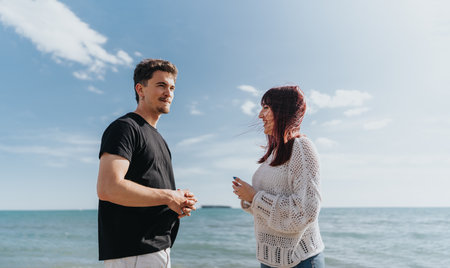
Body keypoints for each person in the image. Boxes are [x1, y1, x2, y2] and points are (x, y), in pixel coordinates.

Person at [97, 58, 197, 268]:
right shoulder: (125, 128)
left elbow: (151, 191)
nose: (168, 93)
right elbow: (108, 188)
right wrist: (169, 196)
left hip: (157, 250)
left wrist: (177, 202)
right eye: (161, 85)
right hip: (133, 253)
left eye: (172, 87)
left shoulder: (159, 138)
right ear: (140, 89)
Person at [232, 85, 325, 268]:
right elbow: (268, 211)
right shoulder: (274, 154)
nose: (260, 115)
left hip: (300, 260)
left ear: (282, 110)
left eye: (266, 108)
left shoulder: (301, 147)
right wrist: (249, 199)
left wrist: (254, 197)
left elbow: (305, 212)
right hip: (270, 260)